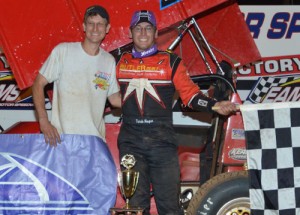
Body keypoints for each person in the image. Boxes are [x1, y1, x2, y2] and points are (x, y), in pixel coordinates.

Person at [116, 10, 237, 215]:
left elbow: (190, 95)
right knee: (135, 208)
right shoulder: (118, 61)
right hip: (131, 143)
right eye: (138, 28)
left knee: (170, 206)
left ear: (155, 33)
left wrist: (214, 105)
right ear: (130, 33)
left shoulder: (171, 62)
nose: (143, 33)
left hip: (162, 143)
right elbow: (102, 90)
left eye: (148, 28)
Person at [32, 5, 121, 146]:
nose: (95, 29)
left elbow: (115, 99)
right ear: (84, 26)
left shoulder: (108, 60)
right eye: (91, 23)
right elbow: (38, 83)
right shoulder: (63, 51)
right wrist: (43, 120)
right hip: (63, 140)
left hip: (94, 142)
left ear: (107, 28)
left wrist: (144, 100)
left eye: (100, 24)